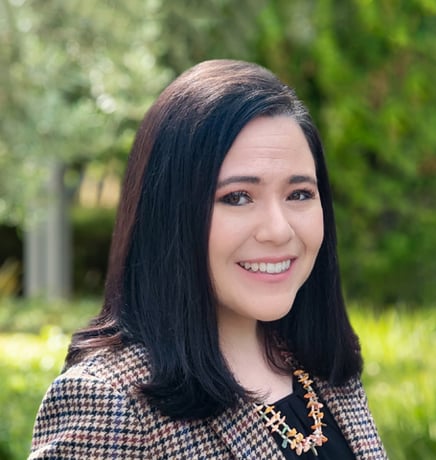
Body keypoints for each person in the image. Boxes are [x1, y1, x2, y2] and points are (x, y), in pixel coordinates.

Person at [29, 59, 388, 459]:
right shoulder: (110, 402)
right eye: (237, 197)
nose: (278, 230)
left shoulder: (324, 369)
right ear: (169, 215)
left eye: (299, 194)